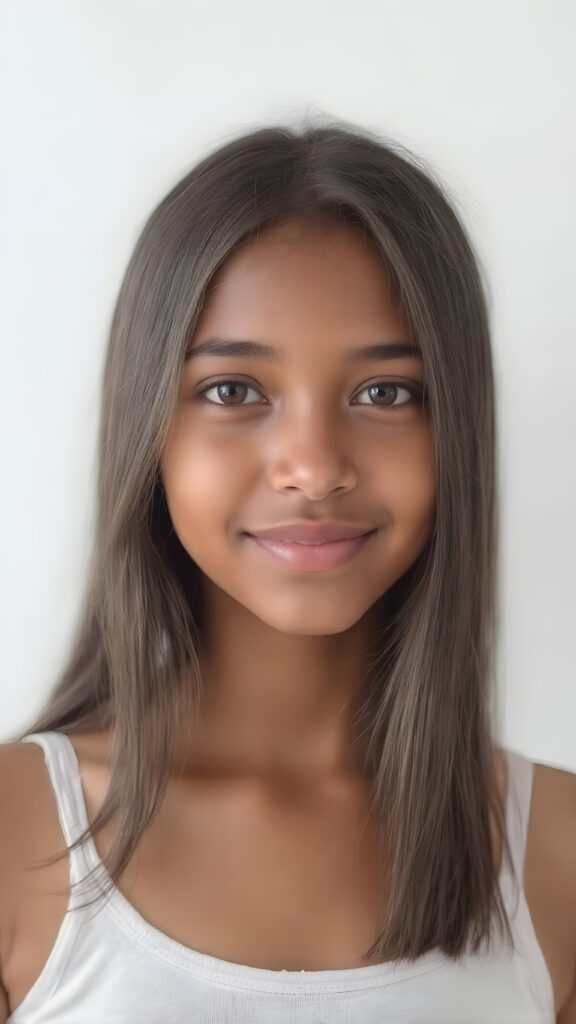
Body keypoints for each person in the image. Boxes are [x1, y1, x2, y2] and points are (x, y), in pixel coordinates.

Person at [0, 119, 574, 1024]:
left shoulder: (558, 857)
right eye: (233, 391)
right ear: (149, 430)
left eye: (386, 393)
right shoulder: (14, 836)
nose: (313, 468)